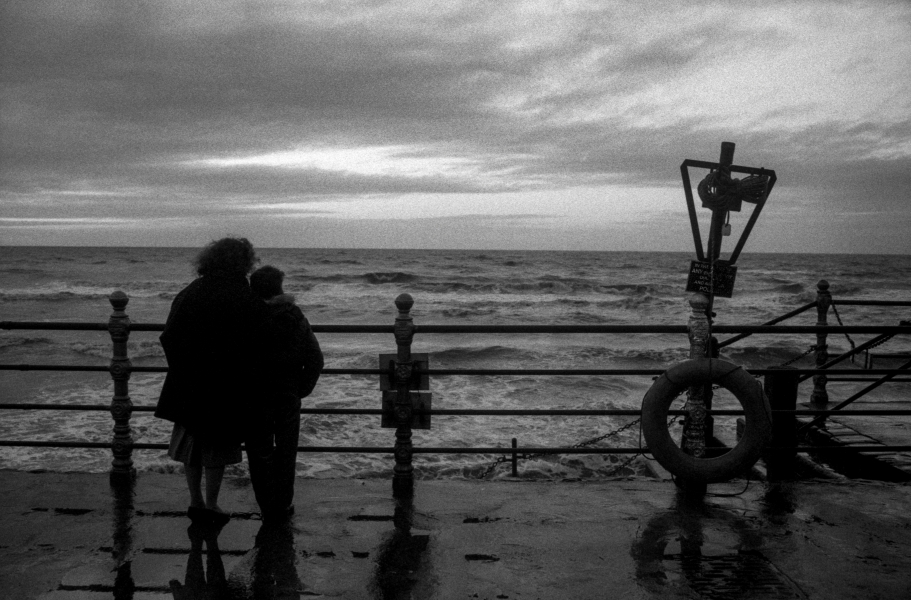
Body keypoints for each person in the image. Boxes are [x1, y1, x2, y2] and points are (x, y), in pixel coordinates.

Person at [155, 237, 268, 527]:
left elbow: (169, 336)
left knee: (191, 444)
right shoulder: (242, 293)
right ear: (244, 262)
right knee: (217, 444)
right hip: (226, 382)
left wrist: (185, 369)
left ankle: (195, 501)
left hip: (189, 381)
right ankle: (213, 503)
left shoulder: (192, 290)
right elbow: (257, 339)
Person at [247, 265, 324, 522]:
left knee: (259, 450)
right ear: (280, 287)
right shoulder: (296, 316)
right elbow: (315, 358)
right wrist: (301, 389)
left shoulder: (249, 316)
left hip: (256, 392)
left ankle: (267, 505)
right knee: (287, 449)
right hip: (288, 391)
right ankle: (283, 503)